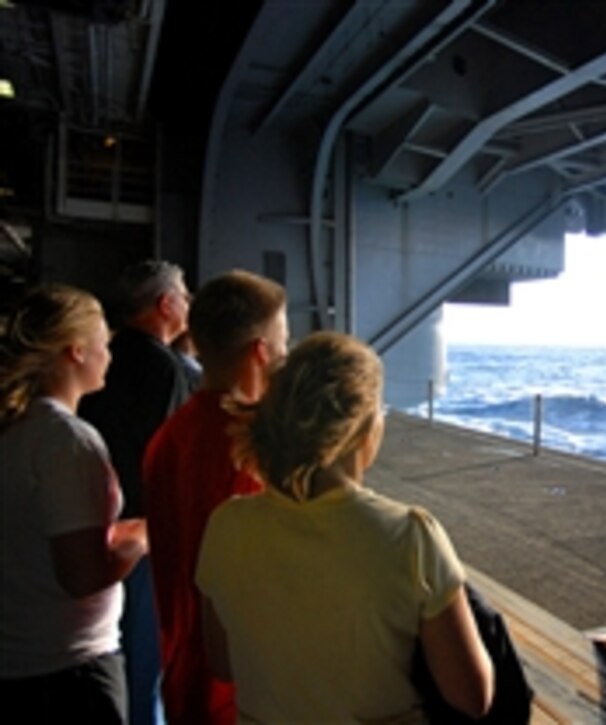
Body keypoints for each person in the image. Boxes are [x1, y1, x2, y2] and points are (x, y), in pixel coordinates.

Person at [196, 332, 495, 722]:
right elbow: (473, 696)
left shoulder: (227, 526)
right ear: (366, 433)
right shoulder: (411, 536)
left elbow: (222, 662)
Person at [141, 270, 288, 725]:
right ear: (260, 352)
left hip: (184, 678)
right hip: (243, 694)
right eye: (283, 341)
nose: (286, 352)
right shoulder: (252, 450)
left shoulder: (169, 437)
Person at [0, 285, 148, 723]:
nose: (111, 355)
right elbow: (82, 575)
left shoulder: (15, 429)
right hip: (71, 670)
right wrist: (143, 536)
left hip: (19, 660)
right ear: (76, 352)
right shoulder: (67, 442)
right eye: (104, 343)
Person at [79, 259, 195, 725]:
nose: (189, 303)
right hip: (148, 533)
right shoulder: (164, 367)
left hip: (100, 518)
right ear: (165, 304)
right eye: (184, 295)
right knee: (147, 659)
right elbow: (168, 458)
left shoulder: (111, 355)